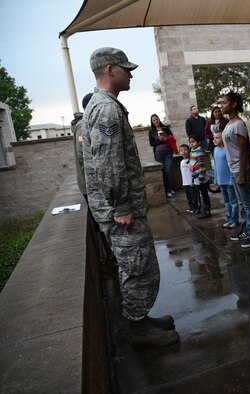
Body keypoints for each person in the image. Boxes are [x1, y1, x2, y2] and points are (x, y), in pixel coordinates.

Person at [82, 47, 179, 347]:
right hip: (120, 213)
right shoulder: (106, 109)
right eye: (126, 68)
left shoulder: (104, 105)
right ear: (110, 70)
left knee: (138, 266)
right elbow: (109, 164)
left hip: (118, 210)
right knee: (138, 268)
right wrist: (122, 206)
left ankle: (141, 316)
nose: (132, 74)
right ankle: (138, 328)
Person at [73, 92, 116, 264]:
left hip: (92, 184)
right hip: (90, 185)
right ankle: (109, 255)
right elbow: (83, 156)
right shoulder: (83, 125)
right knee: (100, 222)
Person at [221, 92, 250, 248]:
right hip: (234, 170)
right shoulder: (229, 124)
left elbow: (243, 150)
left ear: (234, 105)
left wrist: (242, 174)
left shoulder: (238, 124)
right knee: (242, 203)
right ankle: (246, 229)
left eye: (224, 102)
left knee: (248, 203)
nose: (221, 105)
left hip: (240, 169)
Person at [213, 130, 239, 229]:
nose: (215, 140)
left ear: (223, 138)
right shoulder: (215, 150)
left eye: (217, 138)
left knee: (233, 202)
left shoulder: (227, 150)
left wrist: (231, 179)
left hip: (229, 181)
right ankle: (229, 219)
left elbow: (231, 165)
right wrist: (216, 179)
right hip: (221, 181)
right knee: (226, 202)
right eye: (214, 138)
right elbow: (215, 165)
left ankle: (234, 220)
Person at [149, 114, 175, 198]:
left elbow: (172, 138)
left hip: (168, 153)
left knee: (168, 171)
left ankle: (169, 190)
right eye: (154, 120)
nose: (156, 121)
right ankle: (167, 190)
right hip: (158, 154)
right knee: (163, 172)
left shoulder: (165, 128)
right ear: (152, 122)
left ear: (159, 119)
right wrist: (159, 141)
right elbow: (151, 143)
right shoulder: (151, 131)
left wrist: (166, 139)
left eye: (157, 119)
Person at [188, 135, 211, 219]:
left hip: (202, 178)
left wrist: (201, 177)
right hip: (196, 178)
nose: (191, 144)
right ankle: (202, 210)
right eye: (190, 142)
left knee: (204, 194)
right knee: (199, 194)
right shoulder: (192, 151)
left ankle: (207, 211)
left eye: (193, 142)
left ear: (199, 142)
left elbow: (202, 166)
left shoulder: (200, 152)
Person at [178, 144, 199, 214]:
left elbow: (194, 172)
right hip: (185, 183)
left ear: (188, 151)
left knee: (194, 196)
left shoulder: (191, 161)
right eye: (181, 150)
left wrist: (193, 181)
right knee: (188, 197)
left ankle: (196, 208)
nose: (183, 152)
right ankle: (191, 207)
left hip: (191, 183)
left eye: (185, 150)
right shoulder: (181, 162)